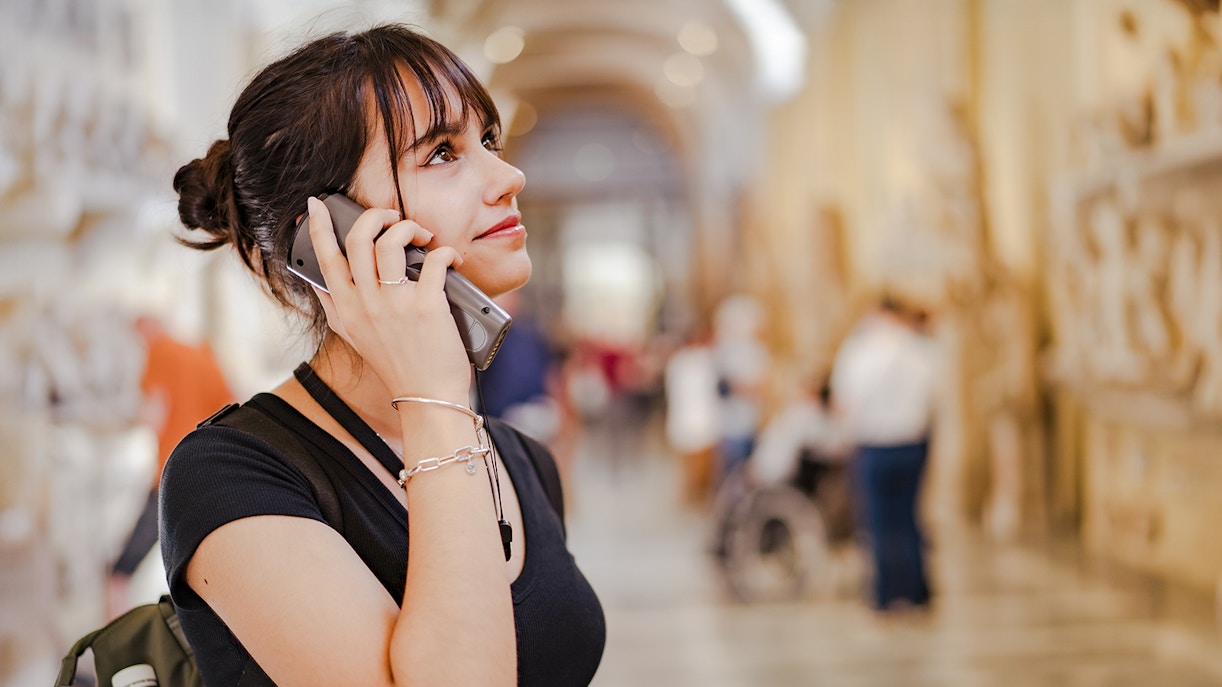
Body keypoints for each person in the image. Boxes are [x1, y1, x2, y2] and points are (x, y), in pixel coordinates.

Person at [162, 24, 605, 686]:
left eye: (488, 141)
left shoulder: (522, 462)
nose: (509, 176)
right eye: (441, 153)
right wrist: (433, 396)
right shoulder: (232, 475)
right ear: (328, 236)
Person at [107, 315, 234, 617]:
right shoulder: (203, 352)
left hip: (173, 472)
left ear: (144, 330)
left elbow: (154, 414)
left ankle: (113, 636)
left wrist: (121, 419)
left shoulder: (159, 351)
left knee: (119, 572)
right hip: (211, 472)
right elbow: (231, 405)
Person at [830, 295, 939, 612]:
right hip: (912, 442)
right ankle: (916, 591)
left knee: (877, 519)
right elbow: (934, 396)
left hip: (873, 444)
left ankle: (883, 593)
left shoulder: (859, 350)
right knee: (909, 515)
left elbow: (843, 401)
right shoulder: (921, 349)